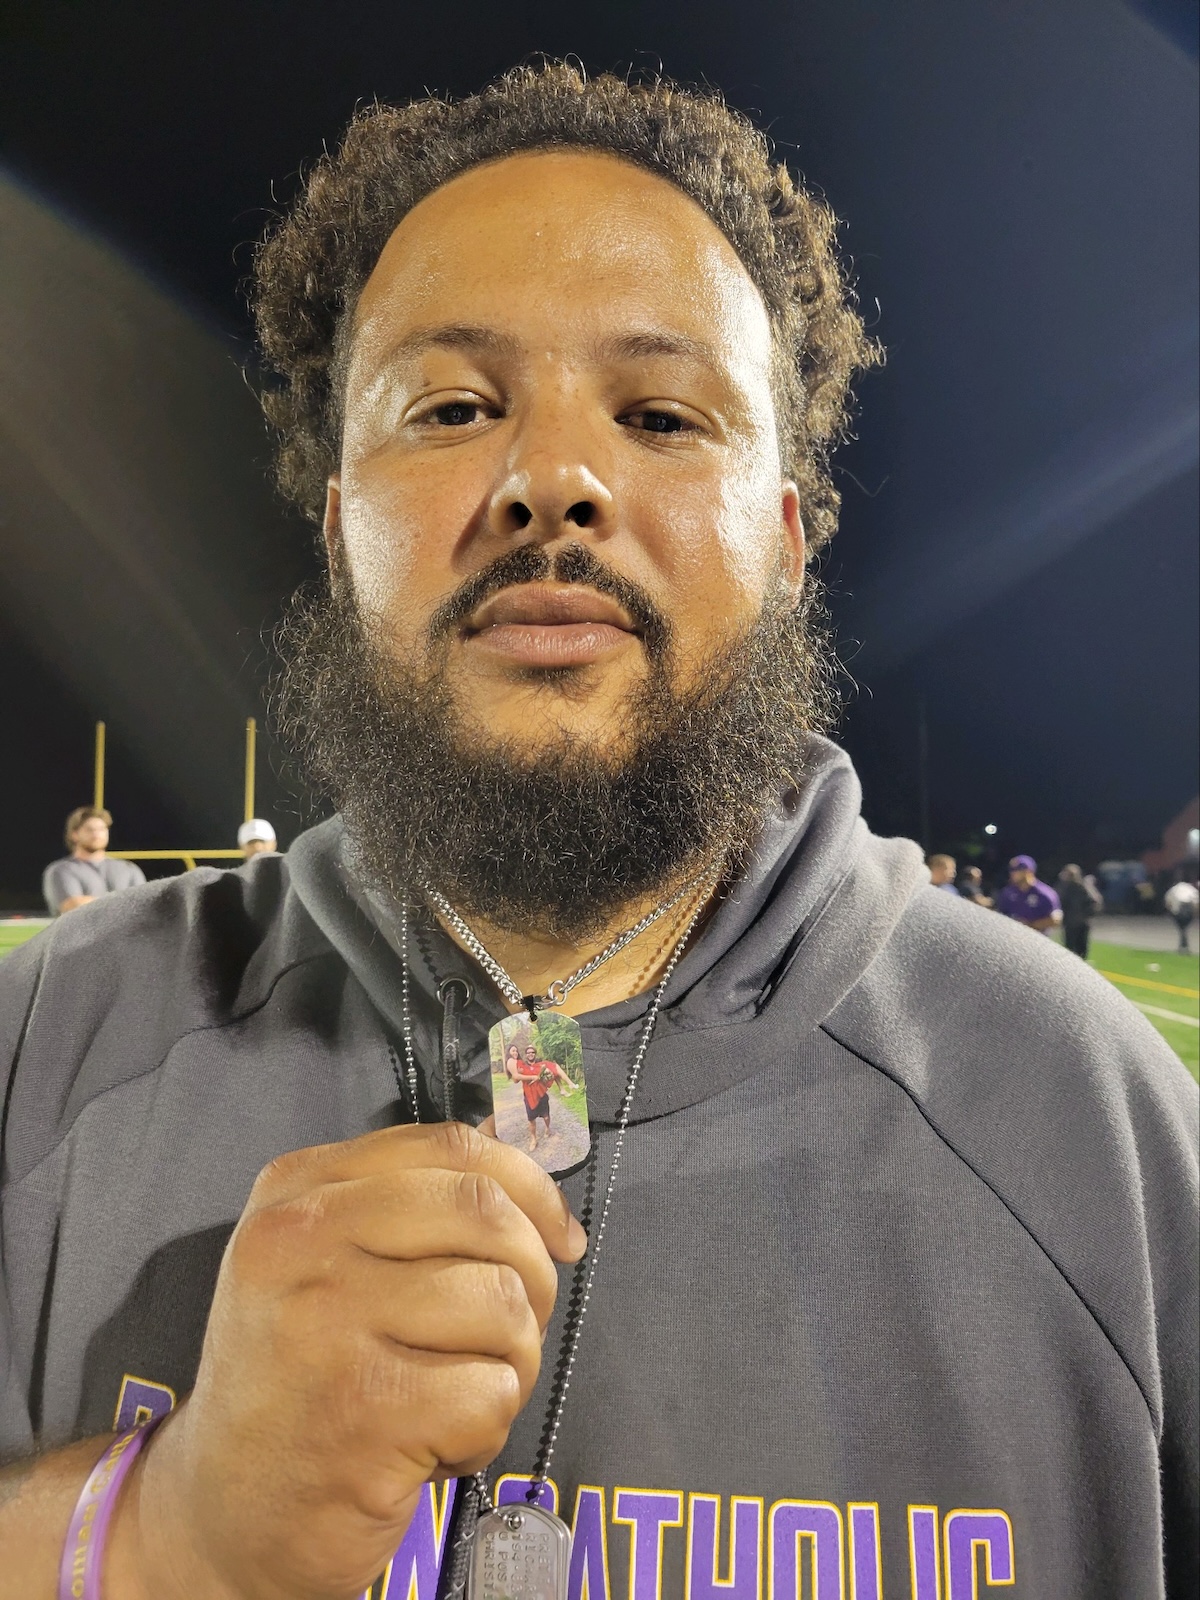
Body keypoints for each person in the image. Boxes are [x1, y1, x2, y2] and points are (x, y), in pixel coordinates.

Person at [0, 65, 1194, 1600]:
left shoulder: (1092, 1129)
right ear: (339, 523)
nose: (552, 481)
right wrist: (150, 1534)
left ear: (784, 538)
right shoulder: (45, 1049)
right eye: (453, 407)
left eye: (660, 414)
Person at [40, 805, 146, 915]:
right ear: (74, 834)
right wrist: (123, 902)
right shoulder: (61, 870)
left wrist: (93, 901)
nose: (96, 834)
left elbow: (143, 904)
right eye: (89, 830)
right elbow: (73, 907)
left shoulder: (128, 868)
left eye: (102, 829)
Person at [512, 1042, 577, 1151]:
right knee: (531, 1120)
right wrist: (517, 1073)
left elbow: (555, 1069)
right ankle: (533, 1139)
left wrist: (549, 1076)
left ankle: (547, 1128)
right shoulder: (522, 1066)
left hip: (542, 1096)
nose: (531, 1054)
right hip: (529, 1097)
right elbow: (515, 1080)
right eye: (528, 1052)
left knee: (546, 1117)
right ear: (526, 1055)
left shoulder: (541, 1064)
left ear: (535, 1054)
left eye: (533, 1052)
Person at [994, 853, 1063, 933]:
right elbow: (1000, 913)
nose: (1013, 873)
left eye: (1017, 869)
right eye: (1011, 869)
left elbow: (1056, 919)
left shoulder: (1045, 893)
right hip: (1011, 934)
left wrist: (1030, 925)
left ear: (1028, 871)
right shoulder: (1008, 892)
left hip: (1036, 936)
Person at [1058, 862, 1103, 959]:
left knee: (1081, 950)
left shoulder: (1083, 887)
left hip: (1081, 923)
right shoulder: (1063, 888)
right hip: (1069, 923)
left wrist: (1085, 915)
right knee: (1069, 949)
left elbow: (1095, 903)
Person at [1164, 877, 1199, 954]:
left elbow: (1168, 903)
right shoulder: (1191, 889)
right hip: (1189, 908)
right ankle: (1184, 946)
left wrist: (1171, 913)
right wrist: (1195, 914)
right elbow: (1196, 903)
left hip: (1179, 909)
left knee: (1182, 929)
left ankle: (1183, 946)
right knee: (1183, 929)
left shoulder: (1173, 889)